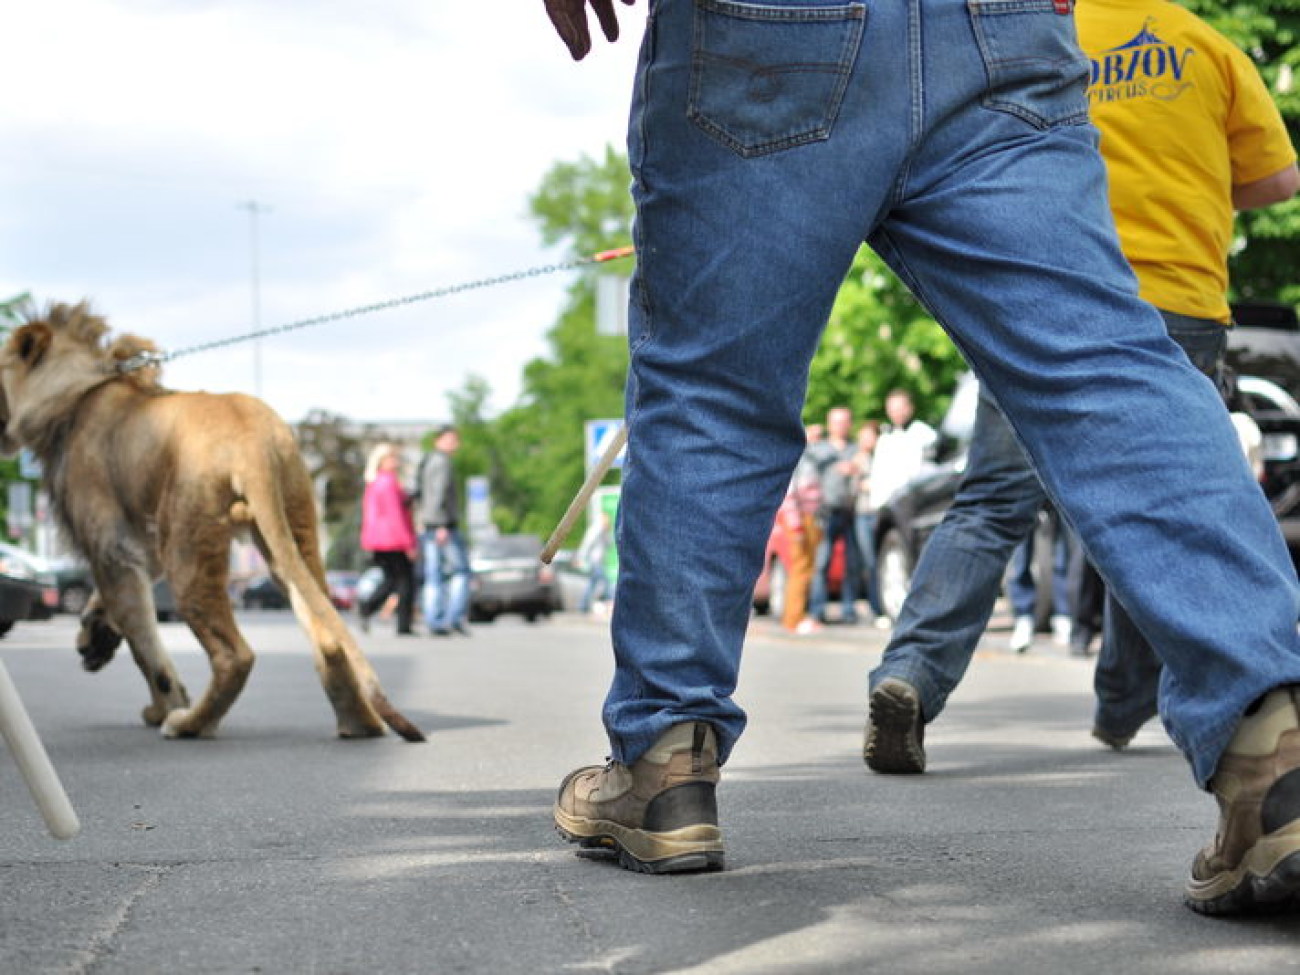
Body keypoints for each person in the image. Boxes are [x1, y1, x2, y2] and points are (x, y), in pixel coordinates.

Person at [543, 0, 1300, 915]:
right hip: (999, 23)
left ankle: (664, 759)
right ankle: (1273, 743)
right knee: (1101, 368)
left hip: (767, 28)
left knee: (714, 392)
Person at [415, 425, 471, 637]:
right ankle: (452, 617)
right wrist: (440, 525)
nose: (455, 444)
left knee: (433, 574)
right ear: (438, 440)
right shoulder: (442, 463)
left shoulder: (427, 461)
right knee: (459, 572)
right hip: (443, 525)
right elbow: (437, 495)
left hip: (431, 524)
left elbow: (420, 494)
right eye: (450, 439)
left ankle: (434, 618)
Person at [357, 443, 418, 635]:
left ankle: (368, 608)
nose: (396, 461)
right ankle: (400, 623)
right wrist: (409, 543)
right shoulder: (389, 483)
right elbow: (395, 516)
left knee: (392, 579)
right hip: (393, 539)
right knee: (405, 581)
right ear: (381, 461)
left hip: (379, 539)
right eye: (391, 458)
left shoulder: (373, 483)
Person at [806, 406, 860, 624]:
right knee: (822, 562)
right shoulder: (819, 449)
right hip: (826, 511)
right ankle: (817, 609)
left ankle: (848, 610)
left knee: (852, 563)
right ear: (829, 425)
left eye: (844, 421)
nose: (840, 425)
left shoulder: (856, 449)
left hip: (851, 512)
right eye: (836, 421)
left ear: (850, 424)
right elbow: (803, 463)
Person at [1004, 507, 1073, 653]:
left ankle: (1063, 615)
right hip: (1025, 486)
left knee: (1061, 555)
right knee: (1020, 558)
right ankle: (1023, 617)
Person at [778, 444, 823, 635]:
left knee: (806, 569)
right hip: (800, 518)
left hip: (809, 517)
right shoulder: (796, 458)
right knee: (800, 569)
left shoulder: (807, 459)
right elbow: (789, 494)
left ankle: (798, 616)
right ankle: (793, 618)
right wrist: (796, 525)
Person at [868, 390, 937, 514]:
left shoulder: (924, 433)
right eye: (892, 409)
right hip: (887, 505)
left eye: (900, 408)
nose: (897, 413)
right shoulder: (885, 438)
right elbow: (878, 472)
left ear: (910, 408)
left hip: (915, 501)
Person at [851, 420, 888, 627]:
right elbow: (851, 487)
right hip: (863, 514)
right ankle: (876, 607)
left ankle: (884, 606)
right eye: (862, 436)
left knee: (882, 561)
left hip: (880, 512)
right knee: (870, 562)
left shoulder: (885, 455)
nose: (866, 440)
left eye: (869, 435)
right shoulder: (858, 458)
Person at [577, 511, 614, 615]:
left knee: (591, 585)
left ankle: (583, 606)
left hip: (600, 562)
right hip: (594, 561)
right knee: (606, 582)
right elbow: (587, 544)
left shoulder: (604, 532)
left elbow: (609, 544)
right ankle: (611, 601)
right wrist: (581, 557)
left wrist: (607, 532)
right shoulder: (595, 530)